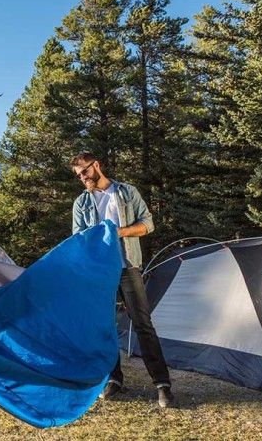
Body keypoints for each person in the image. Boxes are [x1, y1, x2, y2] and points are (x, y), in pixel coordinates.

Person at [70, 151, 177, 409]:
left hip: (128, 267)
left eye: (84, 170)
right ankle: (114, 379)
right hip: (99, 273)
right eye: (78, 175)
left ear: (96, 165)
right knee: (105, 327)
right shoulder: (81, 204)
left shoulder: (127, 192)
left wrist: (119, 231)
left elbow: (148, 224)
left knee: (142, 323)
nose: (82, 177)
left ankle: (162, 385)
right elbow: (78, 239)